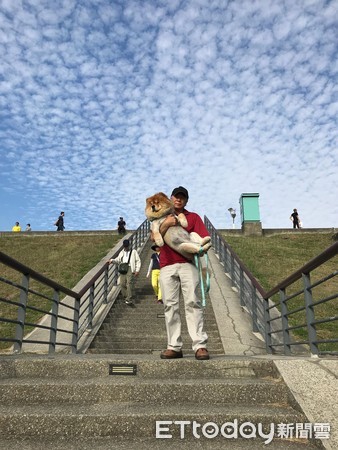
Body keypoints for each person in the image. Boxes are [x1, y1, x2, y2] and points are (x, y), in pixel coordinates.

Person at [156, 186, 210, 360]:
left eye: (182, 197)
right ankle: (174, 346)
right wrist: (166, 224)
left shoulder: (193, 217)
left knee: (193, 303)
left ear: (186, 200)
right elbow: (154, 240)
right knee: (169, 305)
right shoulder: (161, 217)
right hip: (166, 265)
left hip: (188, 264)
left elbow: (203, 240)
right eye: (176, 197)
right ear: (170, 198)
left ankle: (200, 345)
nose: (178, 200)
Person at [108, 239, 141, 307]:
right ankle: (125, 296)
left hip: (130, 268)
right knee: (122, 283)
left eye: (127, 246)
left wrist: (137, 270)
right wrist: (112, 260)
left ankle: (129, 298)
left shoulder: (134, 252)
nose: (126, 247)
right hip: (123, 268)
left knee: (129, 283)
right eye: (125, 246)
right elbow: (118, 260)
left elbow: (138, 261)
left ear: (129, 245)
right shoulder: (122, 252)